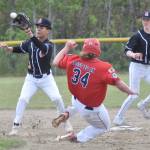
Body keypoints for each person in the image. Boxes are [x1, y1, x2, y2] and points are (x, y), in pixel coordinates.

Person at [51, 38, 137, 143]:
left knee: (78, 101)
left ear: (83, 49)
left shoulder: (73, 59)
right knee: (104, 127)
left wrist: (66, 47)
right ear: (98, 51)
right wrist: (130, 91)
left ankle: (67, 113)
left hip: (76, 99)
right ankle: (78, 138)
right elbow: (118, 83)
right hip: (90, 109)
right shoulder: (104, 67)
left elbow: (55, 62)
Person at [0, 18, 73, 135]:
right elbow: (19, 49)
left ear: (48, 30)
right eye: (37, 26)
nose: (38, 29)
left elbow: (42, 48)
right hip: (31, 79)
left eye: (42, 27)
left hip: (46, 79)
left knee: (57, 98)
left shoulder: (49, 45)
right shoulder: (30, 42)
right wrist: (8, 49)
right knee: (23, 99)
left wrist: (30, 34)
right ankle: (15, 127)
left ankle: (65, 122)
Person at [113, 11, 150, 126]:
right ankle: (118, 118)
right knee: (133, 94)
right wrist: (133, 54)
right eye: (144, 19)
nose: (145, 22)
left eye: (148, 19)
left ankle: (143, 104)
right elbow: (127, 50)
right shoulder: (137, 35)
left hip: (148, 68)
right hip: (136, 67)